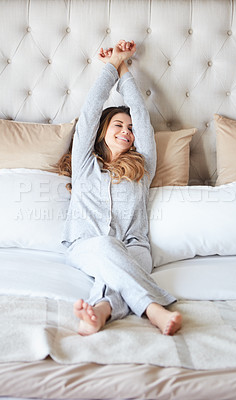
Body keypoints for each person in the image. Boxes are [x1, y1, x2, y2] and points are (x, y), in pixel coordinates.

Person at [60, 39, 182, 336]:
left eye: (129, 128)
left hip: (134, 246)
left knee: (117, 268)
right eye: (118, 125)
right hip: (86, 244)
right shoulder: (85, 165)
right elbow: (89, 113)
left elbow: (140, 114)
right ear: (103, 131)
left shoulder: (143, 168)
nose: (127, 131)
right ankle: (154, 309)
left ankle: (99, 313)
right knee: (106, 248)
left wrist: (125, 66)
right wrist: (111, 67)